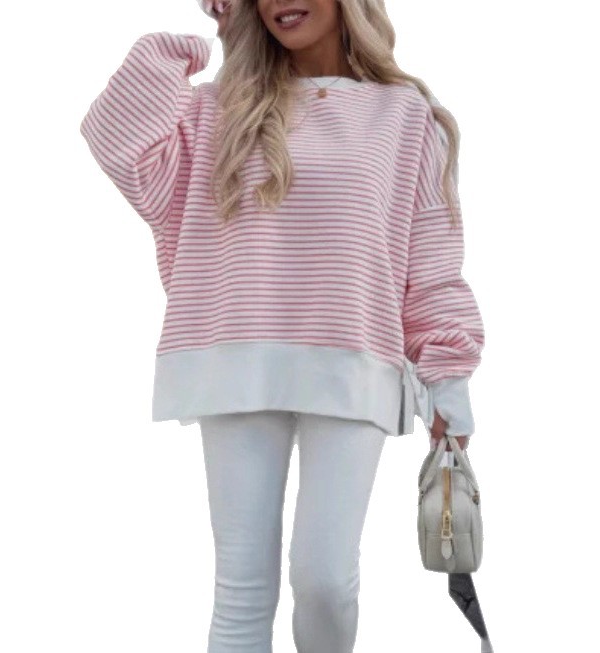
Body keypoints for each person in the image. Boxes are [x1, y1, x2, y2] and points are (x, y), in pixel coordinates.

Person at [79, 1, 485, 650]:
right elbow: (115, 138)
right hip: (233, 354)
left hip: (355, 358)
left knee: (324, 579)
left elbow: (431, 259)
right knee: (240, 592)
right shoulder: (218, 108)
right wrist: (201, 41)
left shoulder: (407, 115)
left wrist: (448, 378)